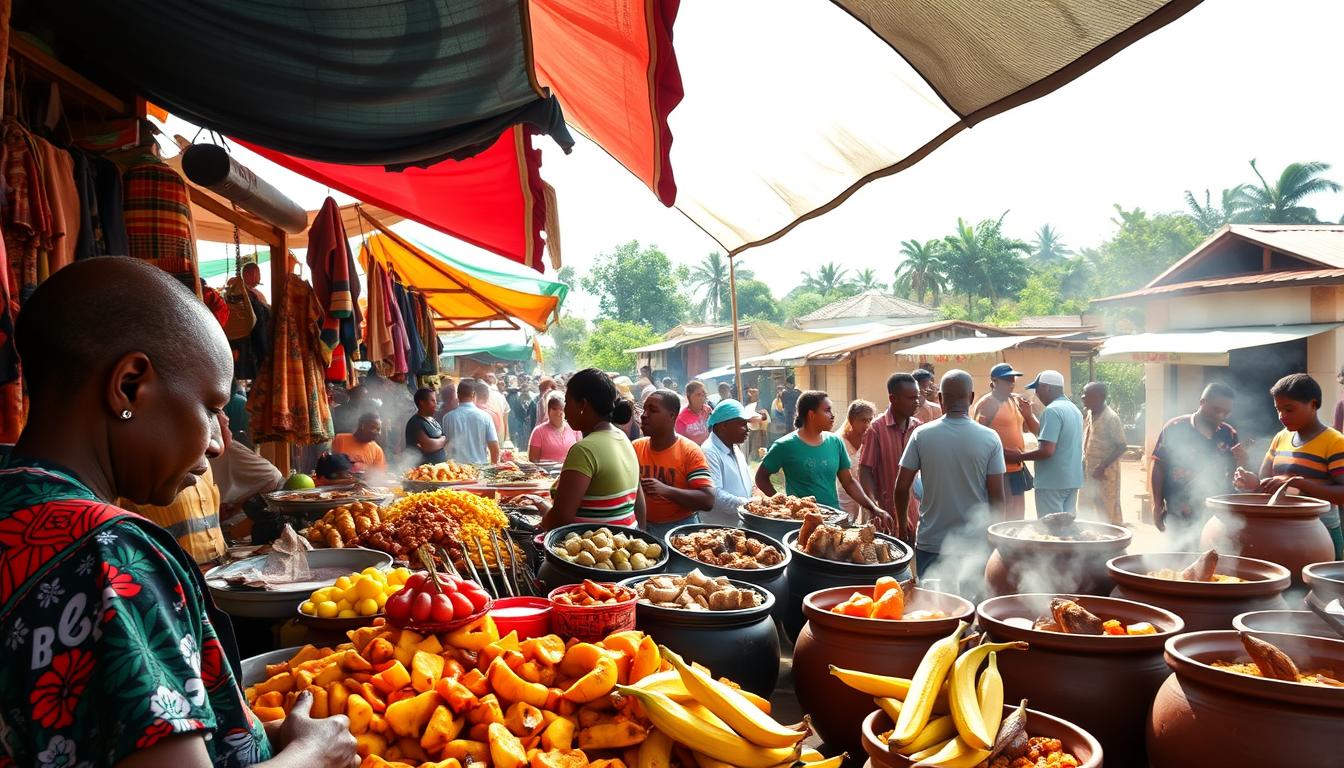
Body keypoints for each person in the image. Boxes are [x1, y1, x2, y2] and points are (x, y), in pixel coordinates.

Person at [0, 257, 356, 766]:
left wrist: (252, 732)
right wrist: (313, 754)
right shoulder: (110, 554)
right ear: (128, 388)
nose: (217, 444)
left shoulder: (15, 506)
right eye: (211, 408)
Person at [892, 370, 1006, 595]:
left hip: (931, 542)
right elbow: (996, 495)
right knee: (969, 614)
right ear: (971, 398)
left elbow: (902, 486)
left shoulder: (921, 435)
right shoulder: (990, 438)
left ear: (941, 398)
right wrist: (995, 538)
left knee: (933, 613)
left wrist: (902, 523)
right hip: (975, 545)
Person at [1234, 373, 1344, 559]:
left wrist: (1298, 483)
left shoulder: (1334, 442)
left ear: (1313, 404)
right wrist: (1252, 484)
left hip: (1320, 534)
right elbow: (1265, 483)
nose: (1282, 416)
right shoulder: (1281, 437)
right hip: (1278, 531)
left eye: (1289, 409)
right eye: (1278, 409)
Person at [520, 369, 644, 529]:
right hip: (626, 542)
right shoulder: (623, 439)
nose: (564, 412)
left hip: (592, 549)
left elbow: (561, 518)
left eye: (567, 402)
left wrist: (539, 527)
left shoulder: (584, 450)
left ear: (583, 405)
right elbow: (639, 504)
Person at [756, 390, 892, 531]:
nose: (833, 416)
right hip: (800, 524)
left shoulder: (834, 442)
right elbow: (761, 477)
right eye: (827, 410)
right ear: (811, 415)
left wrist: (874, 508)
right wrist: (783, 503)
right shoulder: (785, 445)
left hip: (832, 521)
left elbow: (848, 482)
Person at [1150, 382, 1245, 547]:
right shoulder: (1175, 427)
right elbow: (1159, 465)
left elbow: (1233, 474)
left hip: (1213, 513)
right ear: (1202, 402)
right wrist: (1157, 505)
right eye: (1216, 410)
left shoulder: (1229, 433)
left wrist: (1242, 463)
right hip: (1177, 509)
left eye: (1226, 412)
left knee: (1208, 560)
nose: (1221, 416)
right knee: (1177, 557)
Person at [634, 390, 716, 538]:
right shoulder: (635, 448)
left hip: (680, 531)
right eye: (644, 409)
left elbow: (707, 500)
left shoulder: (689, 451)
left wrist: (666, 490)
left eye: (652, 410)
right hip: (642, 529)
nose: (644, 415)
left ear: (672, 416)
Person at [1005, 370, 1083, 515]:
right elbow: (1044, 434)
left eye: (1037, 389)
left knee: (1051, 530)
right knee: (1066, 529)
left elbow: (1047, 450)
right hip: (1071, 481)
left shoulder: (1052, 411)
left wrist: (1019, 456)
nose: (1037, 394)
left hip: (1052, 483)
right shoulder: (1073, 409)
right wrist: (1028, 415)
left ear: (1046, 387)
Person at [859, 373, 923, 541]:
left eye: (917, 397)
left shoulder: (919, 429)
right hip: (886, 515)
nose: (916, 402)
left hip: (916, 512)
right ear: (893, 398)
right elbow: (865, 470)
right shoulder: (876, 429)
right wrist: (874, 506)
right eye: (910, 398)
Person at [972, 363, 1039, 522]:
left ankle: (1014, 547)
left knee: (1017, 517)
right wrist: (1001, 453)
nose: (1011, 384)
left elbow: (1032, 430)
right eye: (1007, 380)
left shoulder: (1016, 401)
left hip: (1017, 468)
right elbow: (977, 437)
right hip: (998, 470)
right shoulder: (988, 403)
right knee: (1001, 517)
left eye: (1012, 380)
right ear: (994, 382)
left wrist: (1028, 414)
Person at [703, 399, 755, 526]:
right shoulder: (709, 452)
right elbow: (715, 496)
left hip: (740, 524)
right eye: (742, 424)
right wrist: (749, 505)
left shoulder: (735, 448)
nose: (747, 430)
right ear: (723, 426)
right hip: (720, 529)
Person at [1081, 382, 1127, 525]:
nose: (1083, 398)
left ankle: (1112, 541)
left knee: (1106, 508)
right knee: (1088, 506)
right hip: (1089, 470)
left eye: (1087, 395)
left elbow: (1122, 446)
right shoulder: (1090, 413)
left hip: (1105, 473)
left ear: (1099, 397)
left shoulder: (1111, 417)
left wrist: (1102, 466)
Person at [442, 379, 501, 465]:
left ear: (458, 396)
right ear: (473, 395)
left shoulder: (447, 418)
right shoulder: (485, 417)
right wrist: (493, 466)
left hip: (455, 471)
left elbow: (445, 445)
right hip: (480, 470)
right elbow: (494, 446)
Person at [838, 400, 876, 520]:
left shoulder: (871, 440)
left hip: (866, 493)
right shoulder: (839, 441)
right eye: (863, 420)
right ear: (851, 420)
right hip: (843, 494)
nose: (867, 424)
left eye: (870, 420)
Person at [529, 392, 582, 463]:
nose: (558, 412)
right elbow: (533, 460)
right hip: (546, 473)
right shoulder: (538, 431)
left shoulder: (575, 429)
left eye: (562, 409)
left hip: (570, 472)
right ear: (548, 411)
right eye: (554, 409)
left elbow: (580, 455)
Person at [405, 387, 448, 465]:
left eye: (436, 401)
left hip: (439, 471)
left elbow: (445, 438)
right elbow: (429, 446)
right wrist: (443, 440)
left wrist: (440, 441)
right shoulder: (415, 422)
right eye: (433, 401)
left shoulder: (433, 420)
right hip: (423, 472)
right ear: (422, 403)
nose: (436, 404)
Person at [479, 371, 511, 446]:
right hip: (485, 436)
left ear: (495, 380)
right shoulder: (479, 393)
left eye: (490, 377)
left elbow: (505, 420)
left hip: (497, 436)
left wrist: (507, 438)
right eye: (485, 377)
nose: (487, 378)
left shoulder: (501, 396)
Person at [508, 377, 536, 444]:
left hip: (530, 424)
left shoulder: (533, 396)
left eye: (527, 380)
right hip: (519, 424)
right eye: (522, 380)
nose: (524, 382)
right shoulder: (515, 396)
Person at [744, 387, 770, 457]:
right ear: (751, 395)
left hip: (761, 430)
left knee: (761, 449)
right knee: (754, 450)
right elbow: (750, 419)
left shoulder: (759, 404)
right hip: (753, 431)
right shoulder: (748, 407)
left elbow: (765, 417)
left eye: (757, 395)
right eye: (755, 395)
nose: (757, 397)